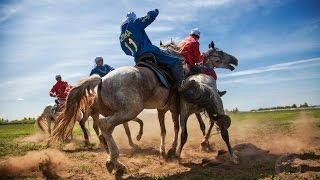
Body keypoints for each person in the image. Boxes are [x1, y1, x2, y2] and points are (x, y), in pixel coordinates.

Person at [119, 9, 185, 89]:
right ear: (133, 18)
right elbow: (150, 16)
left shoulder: (121, 37)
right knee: (176, 61)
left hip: (137, 59)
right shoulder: (134, 23)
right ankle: (181, 87)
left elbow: (126, 51)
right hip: (150, 51)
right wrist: (156, 11)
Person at [178, 28, 226, 96]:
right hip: (189, 66)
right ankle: (215, 92)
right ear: (198, 36)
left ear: (191, 34)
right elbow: (197, 59)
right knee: (211, 72)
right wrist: (203, 55)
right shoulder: (195, 42)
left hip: (179, 64)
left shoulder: (182, 41)